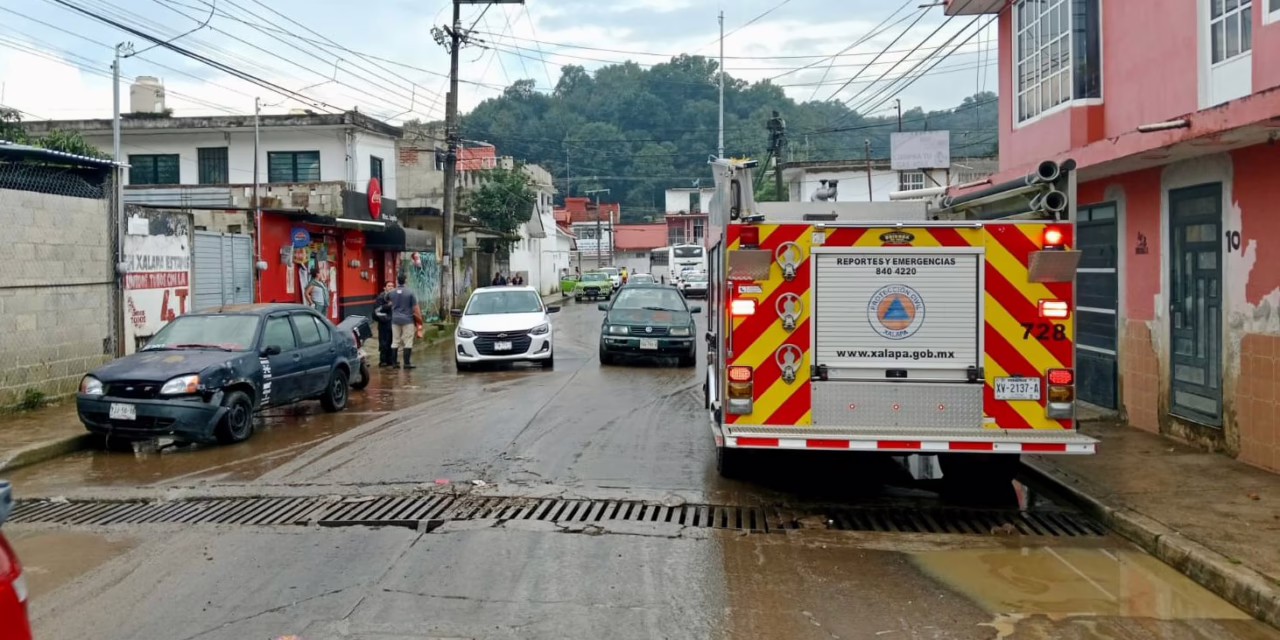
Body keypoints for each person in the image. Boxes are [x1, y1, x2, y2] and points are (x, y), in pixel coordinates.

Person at [390, 273, 421, 370]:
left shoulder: (392, 293)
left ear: (397, 281)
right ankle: (406, 363)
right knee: (408, 341)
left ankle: (394, 363)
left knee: (395, 341)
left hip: (395, 320)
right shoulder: (410, 293)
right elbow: (415, 308)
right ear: (406, 280)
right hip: (408, 320)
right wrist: (419, 321)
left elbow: (386, 299)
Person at [373, 282, 395, 367]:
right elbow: (377, 310)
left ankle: (391, 360)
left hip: (393, 323)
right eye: (389, 286)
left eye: (392, 286)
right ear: (384, 288)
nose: (391, 287)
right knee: (384, 343)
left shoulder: (394, 297)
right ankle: (383, 361)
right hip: (384, 323)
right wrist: (388, 305)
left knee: (392, 342)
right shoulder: (381, 297)